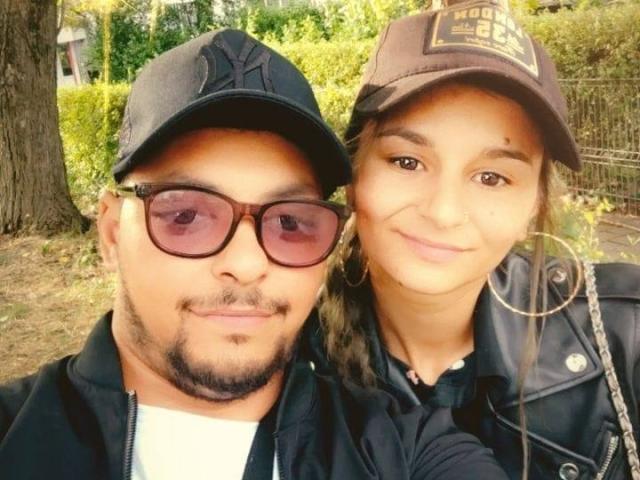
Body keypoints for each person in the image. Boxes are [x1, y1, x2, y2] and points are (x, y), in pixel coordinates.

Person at [0, 29, 507, 480]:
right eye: (185, 216)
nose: (246, 265)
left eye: (290, 223)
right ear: (112, 233)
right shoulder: (15, 438)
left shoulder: (405, 450)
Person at [313, 2, 640, 479]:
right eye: (407, 162)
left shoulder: (626, 332)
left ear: (533, 205)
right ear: (353, 178)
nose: (443, 212)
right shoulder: (284, 354)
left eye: (491, 177)